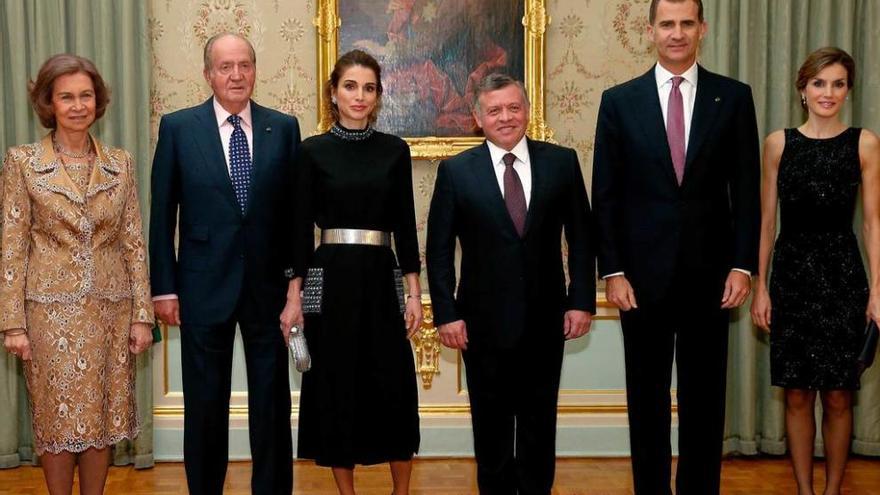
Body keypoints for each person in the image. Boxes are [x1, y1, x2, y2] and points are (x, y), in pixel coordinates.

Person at [591, 0, 761, 492]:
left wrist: (742, 265)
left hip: (712, 280)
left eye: (687, 23)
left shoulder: (732, 98)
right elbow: (605, 194)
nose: (677, 33)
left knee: (705, 402)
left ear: (702, 29)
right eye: (667, 24)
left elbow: (746, 191)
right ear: (650, 31)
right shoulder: (619, 101)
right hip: (639, 283)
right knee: (645, 401)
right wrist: (613, 270)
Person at [426, 73, 595, 494]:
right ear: (477, 118)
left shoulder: (562, 162)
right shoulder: (455, 172)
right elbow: (440, 251)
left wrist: (581, 301)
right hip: (481, 326)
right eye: (495, 110)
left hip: (546, 320)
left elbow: (581, 237)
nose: (506, 117)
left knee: (540, 427)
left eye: (513, 108)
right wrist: (446, 314)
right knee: (492, 430)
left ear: (528, 112)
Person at [148, 33, 300, 494]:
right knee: (205, 407)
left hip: (268, 292)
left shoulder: (284, 127)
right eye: (225, 67)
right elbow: (162, 214)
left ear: (255, 70)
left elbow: (296, 218)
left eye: (244, 65)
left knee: (271, 408)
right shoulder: (178, 127)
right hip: (200, 289)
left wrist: (296, 292)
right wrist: (164, 287)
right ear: (208, 74)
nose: (236, 75)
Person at [0, 54, 153, 495]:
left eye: (86, 95)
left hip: (111, 311)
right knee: (57, 419)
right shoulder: (23, 162)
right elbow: (12, 245)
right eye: (66, 97)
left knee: (101, 420)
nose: (78, 105)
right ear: (49, 103)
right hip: (49, 318)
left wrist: (142, 315)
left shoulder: (119, 164)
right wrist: (13, 323)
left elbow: (132, 242)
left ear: (98, 101)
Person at [284, 49, 422, 495]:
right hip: (329, 280)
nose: (359, 96)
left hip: (384, 279)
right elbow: (299, 230)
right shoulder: (311, 152)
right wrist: (293, 297)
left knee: (394, 384)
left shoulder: (395, 151)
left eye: (368, 88)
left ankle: (401, 491)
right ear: (333, 92)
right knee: (335, 385)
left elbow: (406, 226)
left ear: (378, 96)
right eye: (350, 86)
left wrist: (415, 293)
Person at [750, 47, 880, 495]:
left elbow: (872, 222)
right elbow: (766, 223)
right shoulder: (777, 143)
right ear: (803, 89)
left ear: (848, 90)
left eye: (838, 83)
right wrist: (760, 288)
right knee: (798, 393)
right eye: (819, 83)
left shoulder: (864, 143)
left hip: (844, 276)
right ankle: (805, 491)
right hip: (791, 278)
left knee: (840, 395)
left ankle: (833, 490)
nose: (828, 92)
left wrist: (878, 290)